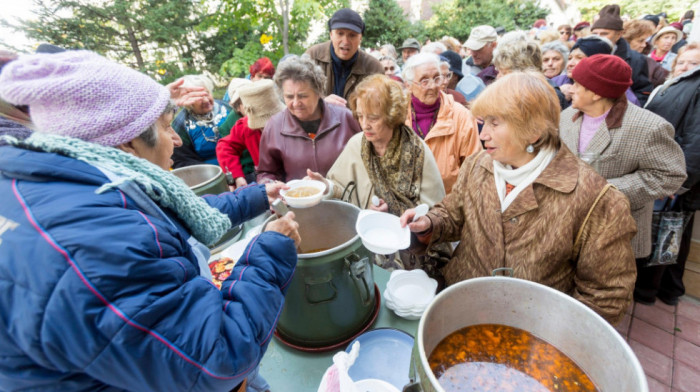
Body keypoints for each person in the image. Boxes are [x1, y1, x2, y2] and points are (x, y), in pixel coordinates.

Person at [0, 50, 300, 391]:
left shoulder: (62, 184)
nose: (175, 140)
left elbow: (177, 213)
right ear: (128, 140)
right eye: (166, 126)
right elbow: (219, 357)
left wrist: (259, 196)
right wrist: (271, 248)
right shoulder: (98, 241)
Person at [399, 71, 638, 324]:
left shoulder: (597, 200)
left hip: (530, 329)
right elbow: (453, 214)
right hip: (463, 306)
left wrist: (549, 342)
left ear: (533, 131)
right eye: (484, 122)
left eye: (495, 123)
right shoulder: (478, 164)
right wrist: (429, 224)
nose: (482, 135)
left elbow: (605, 296)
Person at [307, 74, 450, 282]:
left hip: (413, 250)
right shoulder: (357, 144)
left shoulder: (418, 150)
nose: (365, 125)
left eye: (373, 118)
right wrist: (326, 186)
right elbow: (340, 187)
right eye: (361, 116)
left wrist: (397, 215)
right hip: (368, 245)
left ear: (392, 116)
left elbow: (435, 208)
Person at [559, 54, 686, 270]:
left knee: (606, 296)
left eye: (578, 84)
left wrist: (604, 190)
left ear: (597, 93)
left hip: (616, 231)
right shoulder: (567, 116)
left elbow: (670, 175)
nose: (571, 89)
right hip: (570, 228)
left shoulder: (648, 127)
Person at [635, 42, 700, 305]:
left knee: (665, 233)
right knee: (668, 234)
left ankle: (648, 292)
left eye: (693, 63)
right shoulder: (672, 85)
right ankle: (666, 290)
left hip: (676, 177)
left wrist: (681, 179)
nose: (685, 67)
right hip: (666, 170)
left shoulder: (693, 87)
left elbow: (697, 139)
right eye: (682, 62)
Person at [257, 55, 361, 183]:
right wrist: (269, 185)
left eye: (303, 96)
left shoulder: (345, 118)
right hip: (297, 200)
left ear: (318, 92)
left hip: (344, 199)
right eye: (289, 97)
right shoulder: (274, 126)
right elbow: (266, 172)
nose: (296, 103)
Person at [402, 53, 482, 193]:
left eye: (437, 78)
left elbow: (475, 170)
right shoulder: (397, 116)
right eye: (424, 80)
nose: (433, 86)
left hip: (449, 206)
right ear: (408, 85)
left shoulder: (460, 116)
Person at [305, 8, 383, 104]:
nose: (345, 41)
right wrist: (321, 103)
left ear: (360, 38)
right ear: (331, 34)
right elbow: (297, 93)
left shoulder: (374, 68)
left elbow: (381, 106)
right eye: (340, 33)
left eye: (352, 35)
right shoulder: (312, 57)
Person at [217, 79, 285, 188]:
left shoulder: (295, 119)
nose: (268, 128)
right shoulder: (245, 127)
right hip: (268, 179)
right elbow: (225, 147)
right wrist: (237, 176)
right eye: (262, 126)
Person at [591, 4, 654, 105]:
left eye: (604, 34)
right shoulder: (585, 54)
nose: (599, 38)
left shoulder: (636, 59)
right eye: (595, 34)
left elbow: (642, 91)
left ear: (619, 34)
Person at [552, 35, 640, 107]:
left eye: (579, 58)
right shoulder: (557, 82)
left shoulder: (617, 89)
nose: (570, 63)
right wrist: (558, 94)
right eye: (570, 58)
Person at [170, 74, 231, 168]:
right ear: (187, 100)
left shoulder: (228, 109)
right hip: (210, 174)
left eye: (207, 93)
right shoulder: (181, 124)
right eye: (199, 98)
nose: (206, 100)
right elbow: (182, 160)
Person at [623, 19, 669, 87]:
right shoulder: (613, 58)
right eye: (640, 41)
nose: (644, 45)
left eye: (645, 41)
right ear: (627, 40)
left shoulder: (648, 62)